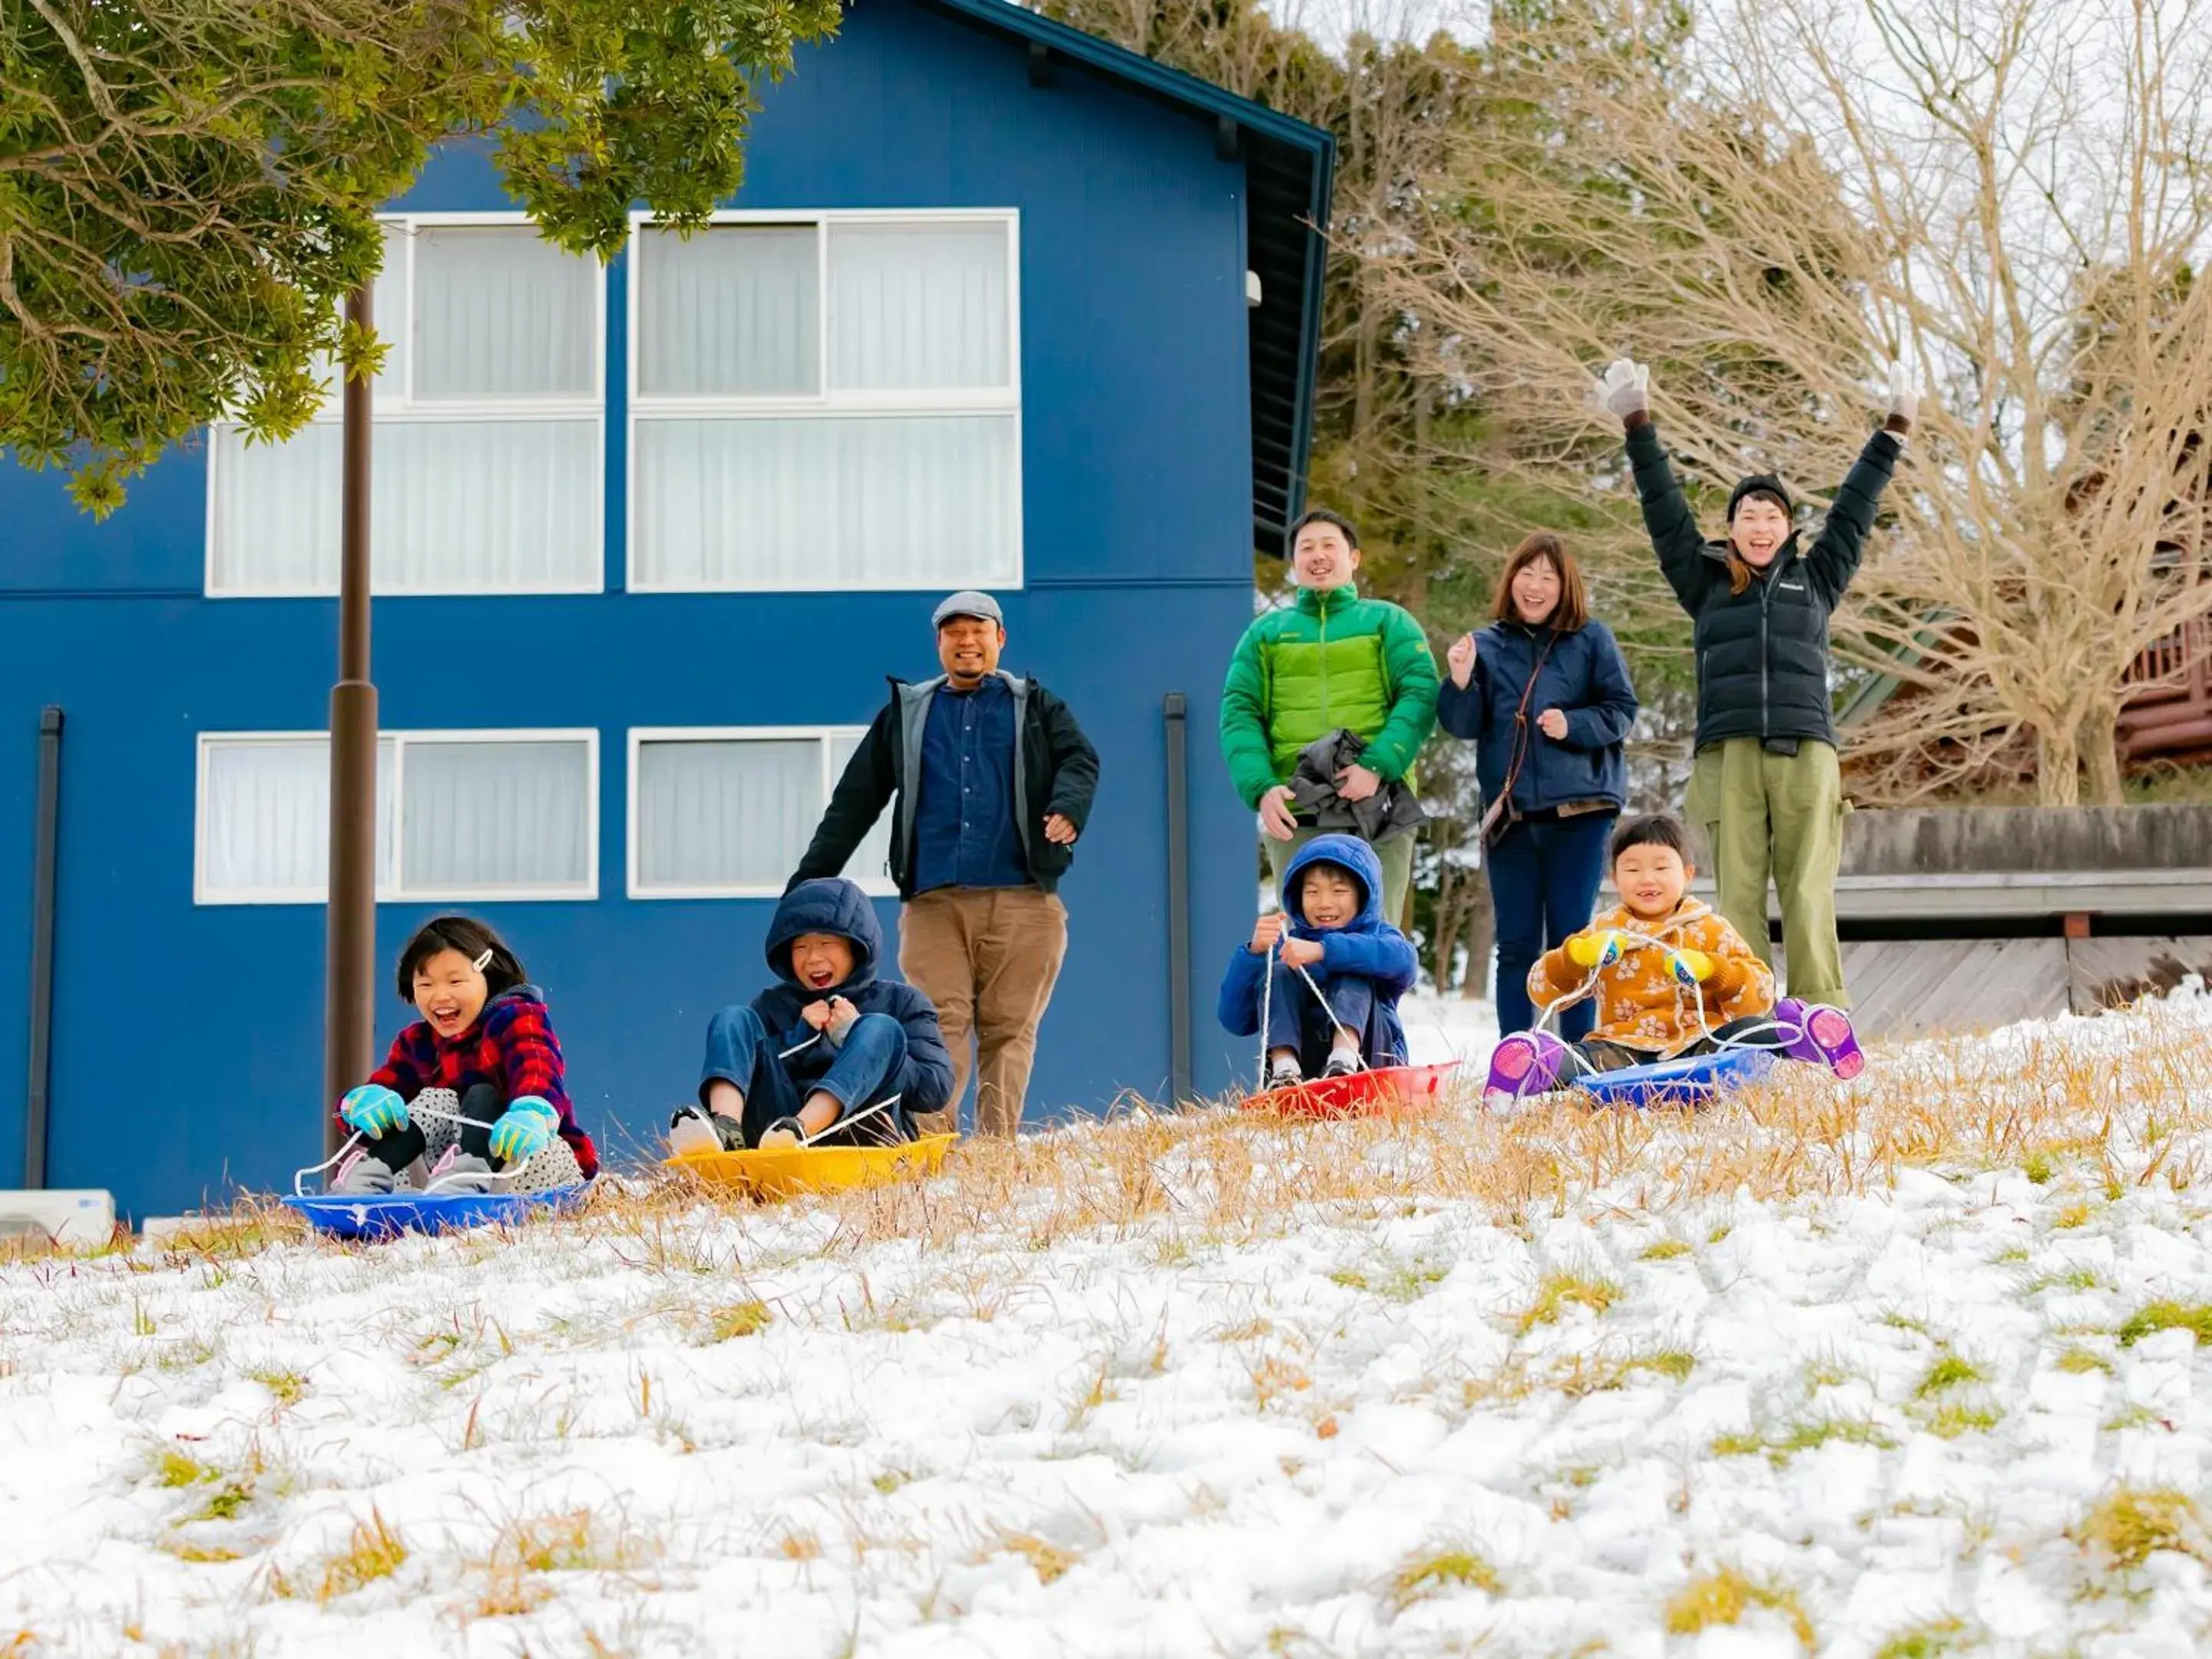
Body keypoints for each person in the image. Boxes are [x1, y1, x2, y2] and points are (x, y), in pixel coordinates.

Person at [1596, 356, 1919, 1008]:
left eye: (1772, 514)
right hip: (1730, 749)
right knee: (1738, 890)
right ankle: (1741, 1008)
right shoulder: (1705, 581)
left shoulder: (1817, 578)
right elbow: (1664, 510)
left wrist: (1893, 430)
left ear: (1788, 528)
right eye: (1749, 513)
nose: (1761, 523)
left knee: (1806, 886)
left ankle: (1821, 1009)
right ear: (1733, 527)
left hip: (1806, 747)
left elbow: (1856, 509)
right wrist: (1637, 421)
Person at [789, 591, 1098, 1139]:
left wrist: (1068, 809)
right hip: (934, 902)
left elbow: (1079, 758)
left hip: (1024, 899)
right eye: (953, 632)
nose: (966, 641)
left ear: (999, 638)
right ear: (939, 644)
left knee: (1010, 1028)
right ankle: (935, 1148)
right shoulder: (908, 714)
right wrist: (808, 883)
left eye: (978, 630)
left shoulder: (1037, 706)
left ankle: (996, 1150)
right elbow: (856, 800)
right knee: (936, 1024)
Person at [1485, 814, 1864, 1098]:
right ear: (1616, 879)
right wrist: (1575, 958)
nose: (1647, 879)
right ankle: (1533, 1065)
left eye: (1661, 868)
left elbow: (1760, 988)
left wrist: (1714, 971)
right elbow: (1540, 990)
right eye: (1632, 869)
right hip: (1626, 1050)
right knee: (1586, 1060)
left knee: (1745, 1033)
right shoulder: (1603, 932)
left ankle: (1804, 1033)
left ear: (1687, 873)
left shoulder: (1709, 928)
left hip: (1705, 1044)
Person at [1436, 531, 1637, 1041]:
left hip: (1581, 813)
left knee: (1573, 941)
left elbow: (1622, 711)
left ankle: (1576, 1058)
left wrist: (1574, 726)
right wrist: (1460, 679)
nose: (1536, 585)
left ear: (1564, 585)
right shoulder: (1485, 644)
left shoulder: (1592, 639)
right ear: (1511, 580)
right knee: (1517, 946)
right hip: (1513, 820)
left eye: (1548, 576)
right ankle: (1516, 1058)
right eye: (1527, 574)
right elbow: (1463, 724)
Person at [1220, 508, 1439, 928]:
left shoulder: (1388, 621)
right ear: (1293, 563)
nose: (1318, 556)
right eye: (1306, 548)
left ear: (1353, 558)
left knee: (1380, 941)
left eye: (1329, 546)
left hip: (1380, 806)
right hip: (1297, 809)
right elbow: (1239, 714)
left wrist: (1377, 765)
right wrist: (1262, 789)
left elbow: (1420, 694)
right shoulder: (1264, 634)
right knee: (1305, 943)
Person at [671, 877, 953, 1152]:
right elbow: (756, 1069)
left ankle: (800, 1131)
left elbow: (934, 1091)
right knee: (732, 1018)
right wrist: (799, 1036)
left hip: (867, 1134)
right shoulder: (772, 1004)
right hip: (773, 1135)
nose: (813, 958)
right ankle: (726, 1130)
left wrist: (858, 1039)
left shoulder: (902, 1001)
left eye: (826, 944)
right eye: (801, 947)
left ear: (856, 947)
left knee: (881, 1028)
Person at [333, 916, 595, 1195]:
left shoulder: (516, 1018)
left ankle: (469, 1176)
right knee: (436, 1099)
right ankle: (369, 1177)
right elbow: (385, 1100)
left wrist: (533, 1111)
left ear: (487, 975)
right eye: (426, 985)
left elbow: (537, 1064)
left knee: (484, 1093)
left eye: (455, 981)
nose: (440, 996)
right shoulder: (418, 1043)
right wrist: (360, 1106)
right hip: (447, 1178)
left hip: (531, 1162)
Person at [1217, 833, 1419, 1089]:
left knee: (1353, 966)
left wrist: (1324, 950)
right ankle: (1284, 1070)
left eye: (1339, 891)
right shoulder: (1288, 946)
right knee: (1280, 972)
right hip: (1307, 1066)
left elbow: (1405, 962)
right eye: (1312, 891)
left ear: (1363, 895)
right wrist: (1255, 954)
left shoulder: (1380, 936)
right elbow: (1235, 1020)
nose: (1324, 903)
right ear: (1297, 897)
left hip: (1371, 1063)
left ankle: (1344, 1060)